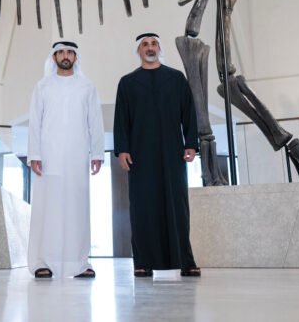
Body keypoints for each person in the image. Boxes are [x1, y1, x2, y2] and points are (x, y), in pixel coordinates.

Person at [113, 32, 200, 278]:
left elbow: (188, 112)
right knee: (142, 207)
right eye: (145, 44)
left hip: (172, 153)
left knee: (177, 205)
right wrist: (123, 149)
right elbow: (121, 120)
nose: (150, 47)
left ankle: (185, 260)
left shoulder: (176, 78)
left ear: (159, 48)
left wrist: (190, 142)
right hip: (140, 155)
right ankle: (143, 262)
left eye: (153, 44)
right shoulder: (127, 83)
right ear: (138, 51)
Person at [27, 40, 104, 279]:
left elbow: (95, 122)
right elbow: (34, 122)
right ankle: (42, 262)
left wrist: (98, 153)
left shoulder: (87, 87)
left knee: (77, 209)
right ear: (54, 57)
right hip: (48, 158)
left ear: (75, 57)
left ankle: (79, 263)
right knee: (47, 208)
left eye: (70, 52)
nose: (65, 55)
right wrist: (34, 154)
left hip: (77, 157)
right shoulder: (43, 86)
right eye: (60, 52)